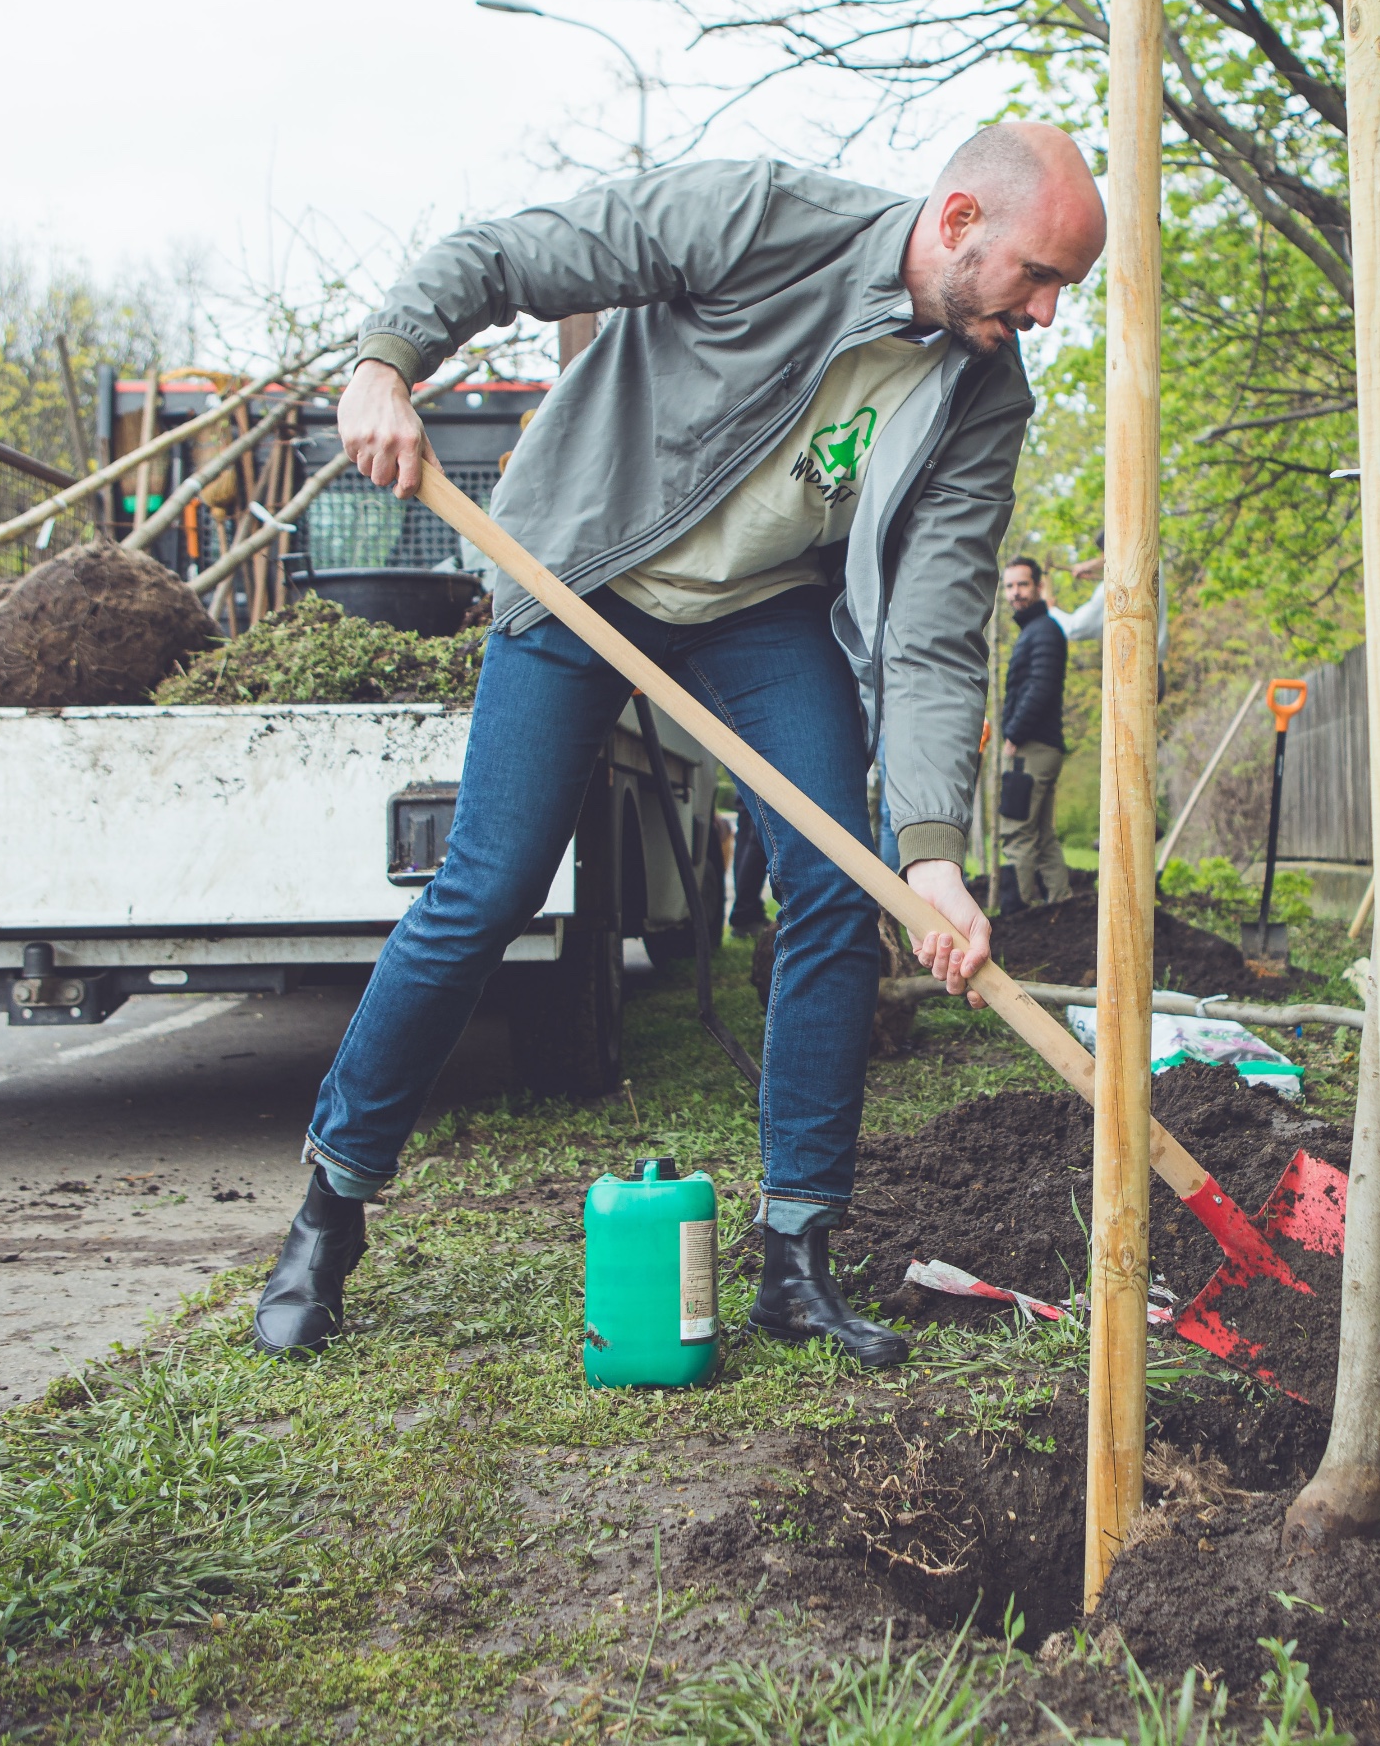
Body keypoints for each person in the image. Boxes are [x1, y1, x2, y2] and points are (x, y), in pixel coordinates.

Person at [251, 125, 1108, 1369]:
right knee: (488, 884)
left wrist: (927, 854)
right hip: (581, 566)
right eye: (1038, 276)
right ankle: (330, 1210)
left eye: (1064, 292)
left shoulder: (985, 393)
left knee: (831, 881)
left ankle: (797, 1255)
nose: (1043, 313)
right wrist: (388, 361)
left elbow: (933, 630)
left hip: (757, 611)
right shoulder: (762, 216)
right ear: (961, 217)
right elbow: (514, 254)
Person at [996, 555, 1071, 912]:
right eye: (1009, 586)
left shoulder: (1043, 630)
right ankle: (1062, 906)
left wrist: (1013, 733)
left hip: (1032, 746)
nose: (1015, 593)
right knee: (1041, 835)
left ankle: (1018, 917)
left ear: (1039, 586)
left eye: (1022, 584)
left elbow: (1040, 687)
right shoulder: (1037, 630)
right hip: (1042, 745)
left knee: (1017, 831)